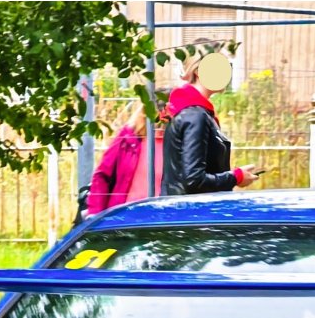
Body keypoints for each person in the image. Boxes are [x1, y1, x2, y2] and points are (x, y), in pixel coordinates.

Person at [163, 43, 264, 196]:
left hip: (187, 212)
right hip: (192, 214)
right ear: (197, 71)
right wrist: (235, 177)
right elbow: (194, 180)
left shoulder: (194, 113)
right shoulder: (196, 116)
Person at [85, 95, 167, 218]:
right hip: (124, 220)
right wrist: (95, 214)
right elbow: (102, 175)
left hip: (159, 220)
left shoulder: (175, 144)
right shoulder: (128, 139)